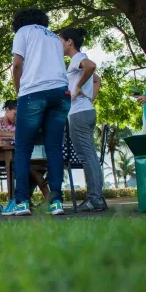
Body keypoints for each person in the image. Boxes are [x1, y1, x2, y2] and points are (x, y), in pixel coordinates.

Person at [2, 8, 70, 217]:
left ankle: (22, 202)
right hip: (61, 92)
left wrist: (19, 91)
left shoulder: (23, 32)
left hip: (34, 93)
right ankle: (56, 201)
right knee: (54, 148)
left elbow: (17, 64)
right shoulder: (54, 38)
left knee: (23, 148)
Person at [60, 27, 105, 212]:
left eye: (60, 40)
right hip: (84, 110)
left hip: (79, 113)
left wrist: (78, 87)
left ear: (69, 41)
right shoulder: (75, 60)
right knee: (89, 155)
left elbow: (92, 66)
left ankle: (94, 199)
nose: (58, 45)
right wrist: (90, 95)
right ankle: (96, 198)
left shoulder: (78, 58)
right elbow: (97, 79)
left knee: (86, 156)